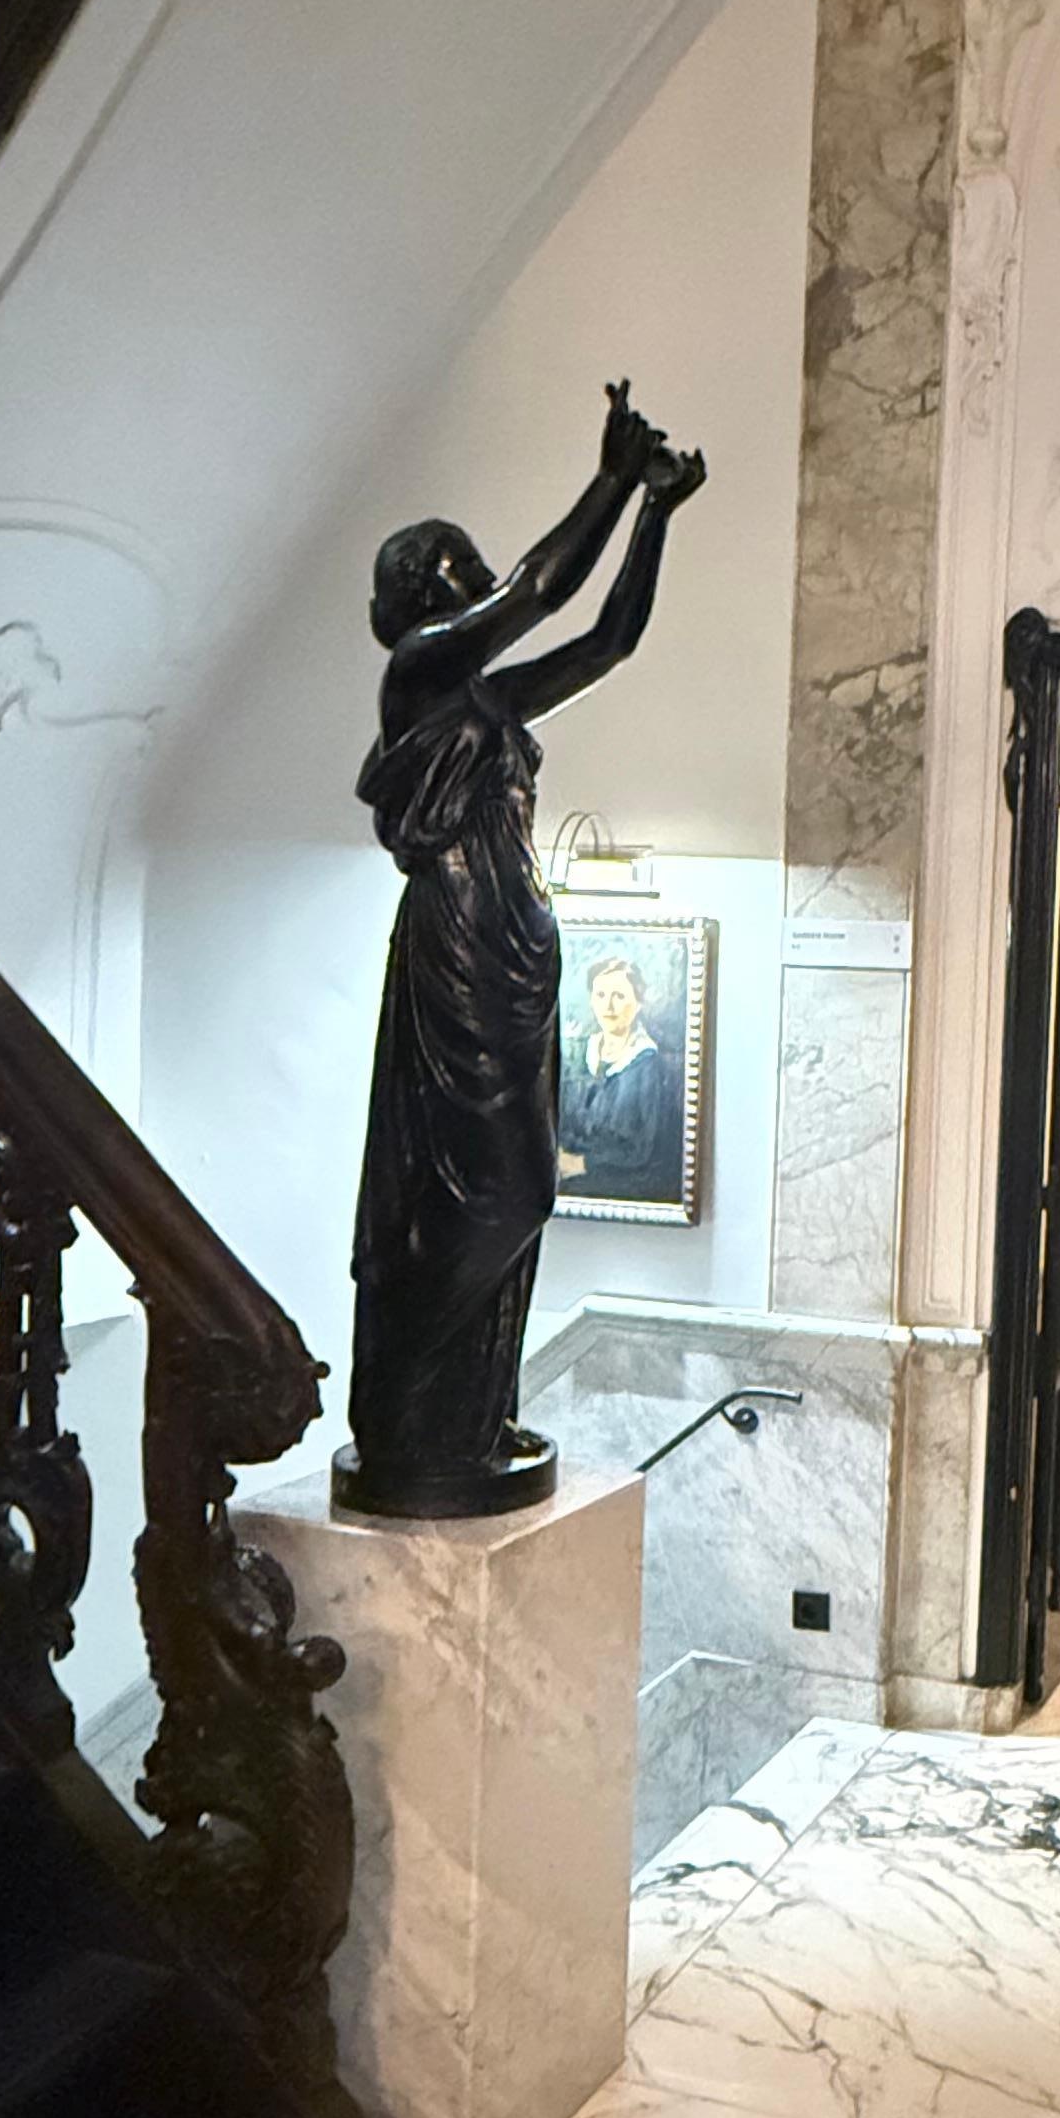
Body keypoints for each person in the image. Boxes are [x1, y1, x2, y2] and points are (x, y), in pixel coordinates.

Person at [338, 383, 705, 1516]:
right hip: (455, 953)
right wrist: (611, 477)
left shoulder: (487, 705)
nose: (479, 573)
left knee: (523, 1190)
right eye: (457, 566)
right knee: (489, 1189)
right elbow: (540, 591)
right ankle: (407, 1413)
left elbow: (609, 640)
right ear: (419, 597)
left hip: (512, 961)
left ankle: (469, 1415)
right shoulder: (417, 675)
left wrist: (656, 514)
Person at [561, 950, 682, 1200]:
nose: (608, 1006)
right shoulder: (578, 1054)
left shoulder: (648, 1065)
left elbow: (641, 1149)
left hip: (622, 1183)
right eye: (601, 995)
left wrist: (583, 1163)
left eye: (619, 996)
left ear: (638, 1003)